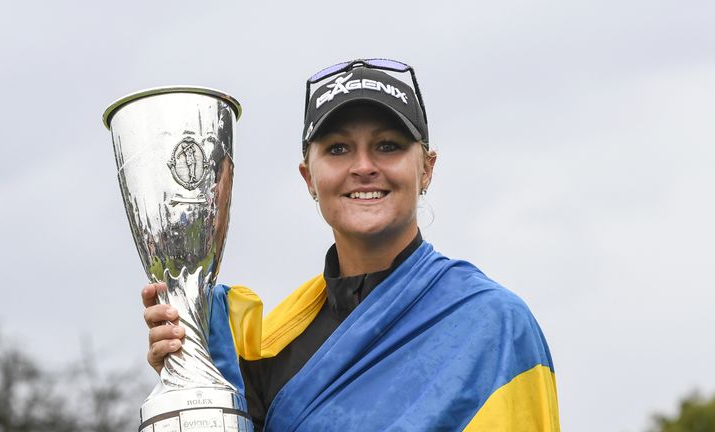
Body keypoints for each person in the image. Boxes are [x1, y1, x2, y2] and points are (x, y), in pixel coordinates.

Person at [142, 59, 560, 431]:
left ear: (427, 169)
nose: (363, 167)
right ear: (309, 177)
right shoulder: (264, 347)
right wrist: (190, 378)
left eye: (388, 146)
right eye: (339, 148)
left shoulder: (494, 324)